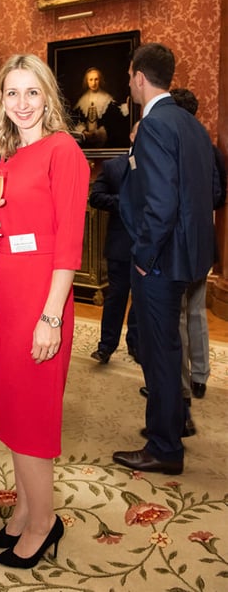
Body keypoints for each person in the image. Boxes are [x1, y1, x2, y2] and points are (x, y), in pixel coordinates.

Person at [0, 54, 89, 569]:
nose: (22, 104)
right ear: (1, 101)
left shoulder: (62, 150)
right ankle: (25, 508)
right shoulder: (5, 158)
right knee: (12, 408)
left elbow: (67, 244)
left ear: (48, 97)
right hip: (7, 287)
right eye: (12, 94)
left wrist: (52, 316)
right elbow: (13, 232)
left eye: (32, 93)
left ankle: (45, 521)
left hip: (41, 295)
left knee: (33, 413)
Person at [113, 43, 217, 475]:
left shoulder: (154, 124)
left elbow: (160, 202)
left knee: (158, 351)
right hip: (189, 256)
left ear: (138, 76)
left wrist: (142, 255)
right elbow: (209, 192)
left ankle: (164, 447)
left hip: (159, 259)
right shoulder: (192, 125)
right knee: (169, 347)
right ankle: (175, 423)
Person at [170, 88, 227, 404]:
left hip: (178, 244)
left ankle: (181, 386)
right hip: (205, 239)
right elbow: (219, 196)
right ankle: (200, 376)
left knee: (177, 314)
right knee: (196, 312)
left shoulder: (174, 146)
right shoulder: (211, 148)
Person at [89, 121, 140, 365]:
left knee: (141, 298)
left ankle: (136, 344)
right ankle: (106, 346)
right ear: (131, 136)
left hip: (150, 245)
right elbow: (96, 197)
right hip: (120, 243)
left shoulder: (160, 164)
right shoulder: (113, 166)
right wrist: (126, 202)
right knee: (116, 296)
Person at [72, 67, 129, 148]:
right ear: (87, 81)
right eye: (90, 80)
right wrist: (84, 132)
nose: (93, 83)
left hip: (104, 143)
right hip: (86, 142)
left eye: (96, 79)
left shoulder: (107, 99)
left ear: (100, 80)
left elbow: (115, 118)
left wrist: (101, 133)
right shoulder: (82, 100)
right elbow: (76, 120)